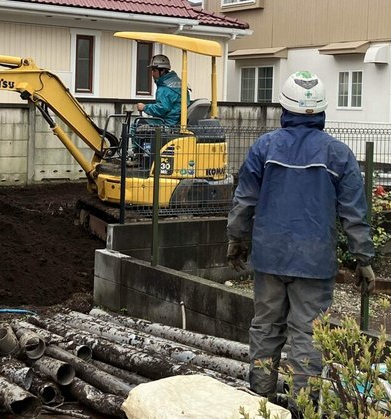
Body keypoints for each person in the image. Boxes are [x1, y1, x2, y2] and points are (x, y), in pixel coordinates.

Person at [226, 71, 376, 407]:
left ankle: (260, 402)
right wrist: (363, 260)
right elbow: (355, 213)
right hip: (315, 262)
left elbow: (244, 200)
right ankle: (303, 409)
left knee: (265, 328)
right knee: (307, 338)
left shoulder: (265, 147)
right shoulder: (338, 155)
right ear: (322, 110)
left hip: (269, 259)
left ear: (285, 107)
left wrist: (237, 239)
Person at [136, 54, 189, 127]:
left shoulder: (164, 87)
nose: (152, 74)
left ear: (162, 71)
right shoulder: (178, 82)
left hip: (169, 123)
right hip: (177, 121)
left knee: (138, 124)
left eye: (154, 71)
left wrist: (144, 107)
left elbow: (163, 108)